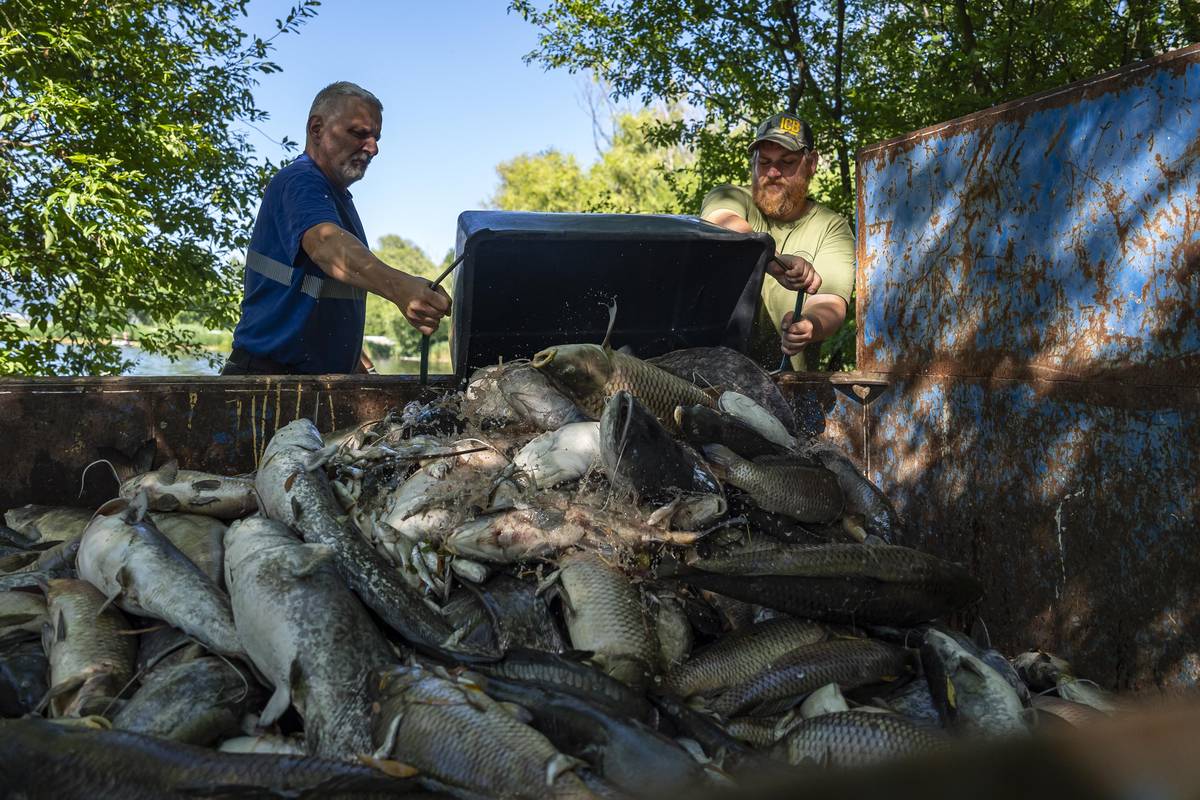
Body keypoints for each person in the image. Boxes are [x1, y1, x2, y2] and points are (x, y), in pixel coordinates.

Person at [222, 82, 450, 375]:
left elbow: (314, 296)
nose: (373, 148)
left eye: (376, 138)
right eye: (359, 134)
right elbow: (326, 245)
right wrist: (401, 288)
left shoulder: (334, 197)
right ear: (316, 128)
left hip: (304, 381)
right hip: (268, 382)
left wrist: (356, 361)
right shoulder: (300, 181)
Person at [701, 112, 854, 371]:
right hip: (714, 374)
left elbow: (830, 303)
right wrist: (771, 261)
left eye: (787, 162)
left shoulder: (831, 226)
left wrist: (808, 325)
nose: (773, 172)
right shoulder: (730, 197)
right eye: (765, 162)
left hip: (786, 388)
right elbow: (721, 222)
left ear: (812, 163)